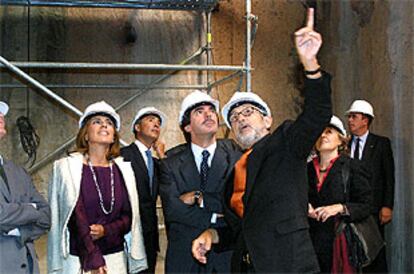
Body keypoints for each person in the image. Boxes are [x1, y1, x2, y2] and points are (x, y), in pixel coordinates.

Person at [192, 8, 332, 273]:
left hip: (288, 266)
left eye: (248, 112)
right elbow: (242, 229)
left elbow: (318, 113)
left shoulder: (286, 143)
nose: (241, 118)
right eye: (234, 117)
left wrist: (311, 65)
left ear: (268, 120)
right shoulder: (235, 171)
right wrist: (210, 235)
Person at [48, 101, 147, 274]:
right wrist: (93, 257)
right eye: (97, 121)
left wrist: (106, 230)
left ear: (114, 136)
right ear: (85, 135)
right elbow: (73, 215)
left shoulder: (124, 170)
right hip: (78, 259)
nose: (104, 125)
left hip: (116, 258)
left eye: (109, 123)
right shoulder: (67, 168)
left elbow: (129, 217)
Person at [159, 90, 241, 273]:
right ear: (187, 127)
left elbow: (236, 203)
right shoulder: (170, 163)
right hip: (184, 259)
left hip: (225, 258)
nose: (208, 113)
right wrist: (216, 215)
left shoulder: (236, 156)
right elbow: (173, 211)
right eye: (199, 111)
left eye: (212, 109)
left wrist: (200, 198)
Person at [307, 115, 372, 273]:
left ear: (341, 139)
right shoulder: (305, 169)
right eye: (319, 132)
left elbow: (367, 205)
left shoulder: (352, 167)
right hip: (309, 242)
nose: (322, 135)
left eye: (329, 132)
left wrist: (340, 208)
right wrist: (304, 206)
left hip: (340, 243)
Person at [0, 101, 51, 274]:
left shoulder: (18, 172)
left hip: (26, 267)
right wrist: (30, 209)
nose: (0, 116)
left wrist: (18, 230)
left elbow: (46, 216)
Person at [346, 99, 395, 273]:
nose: (350, 120)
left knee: (374, 250)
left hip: (374, 210)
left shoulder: (381, 144)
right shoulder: (345, 145)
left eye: (354, 116)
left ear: (365, 120)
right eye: (349, 117)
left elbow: (388, 177)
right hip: (351, 209)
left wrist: (387, 206)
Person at [121, 106, 167, 274]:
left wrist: (162, 156)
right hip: (126, 235)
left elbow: (170, 184)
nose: (156, 124)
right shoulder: (122, 156)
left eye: (158, 122)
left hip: (149, 236)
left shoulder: (156, 162)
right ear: (137, 127)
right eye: (150, 120)